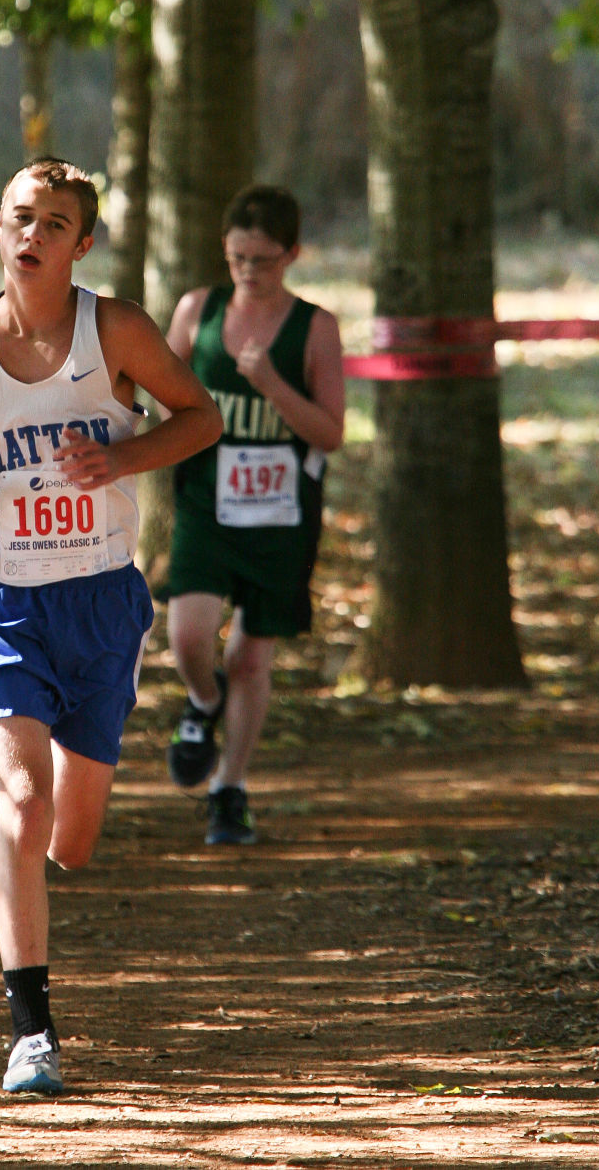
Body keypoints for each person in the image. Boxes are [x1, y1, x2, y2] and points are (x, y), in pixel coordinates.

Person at [0, 157, 222, 1097]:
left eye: (56, 224)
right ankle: (31, 1030)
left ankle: (59, 823)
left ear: (83, 243)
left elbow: (202, 417)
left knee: (70, 840)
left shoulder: (115, 332)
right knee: (21, 804)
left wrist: (126, 458)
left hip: (102, 602)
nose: (34, 236)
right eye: (22, 218)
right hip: (1, 601)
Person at [163, 184, 345, 845]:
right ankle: (202, 702)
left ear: (293, 254)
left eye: (263, 259)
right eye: (238, 256)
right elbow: (158, 394)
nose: (248, 270)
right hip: (206, 503)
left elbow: (329, 432)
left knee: (250, 661)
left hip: (279, 514)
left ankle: (229, 790)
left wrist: (271, 384)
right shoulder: (198, 310)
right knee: (188, 638)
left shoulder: (315, 327)